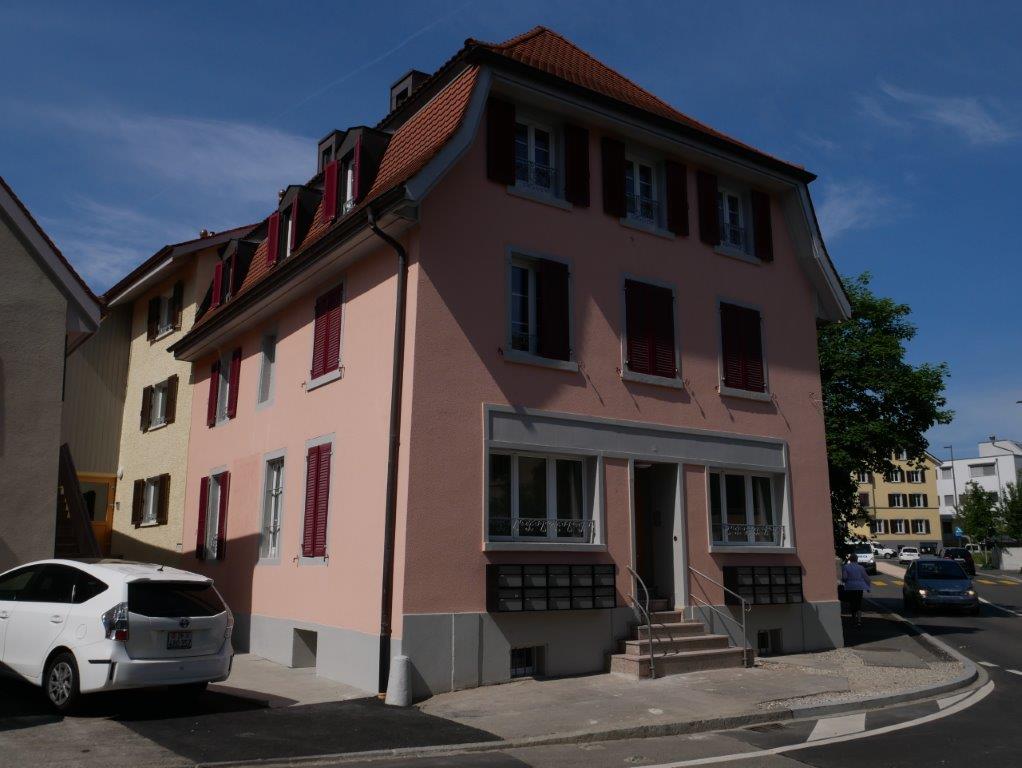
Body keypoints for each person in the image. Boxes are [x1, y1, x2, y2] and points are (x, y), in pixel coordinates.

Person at [841, 552, 872, 627]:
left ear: (850, 560)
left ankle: (853, 618)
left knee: (852, 603)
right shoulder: (861, 567)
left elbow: (845, 578)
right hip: (859, 587)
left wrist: (844, 581)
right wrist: (868, 587)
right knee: (858, 603)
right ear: (857, 560)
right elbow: (867, 578)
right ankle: (859, 620)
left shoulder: (846, 567)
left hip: (850, 587)